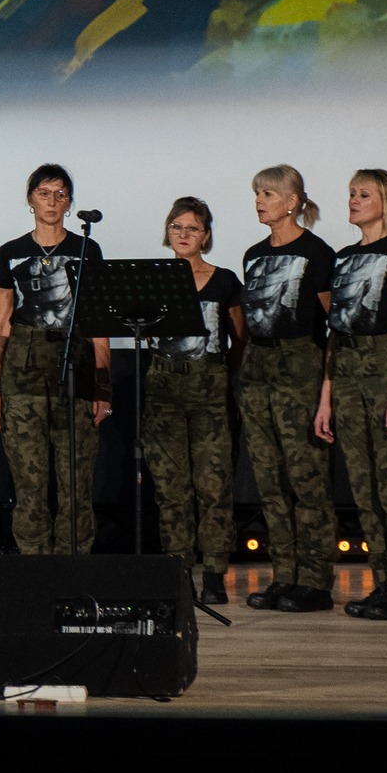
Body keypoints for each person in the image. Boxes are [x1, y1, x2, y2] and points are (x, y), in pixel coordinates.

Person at [0, 165, 111, 554]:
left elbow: (97, 322)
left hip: (75, 364)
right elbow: (1, 322)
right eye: (44, 193)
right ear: (30, 199)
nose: (52, 201)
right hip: (23, 367)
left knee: (76, 479)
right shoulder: (11, 252)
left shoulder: (86, 250)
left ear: (69, 203)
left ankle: (73, 565)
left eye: (60, 194)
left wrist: (103, 385)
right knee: (29, 479)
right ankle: (35, 566)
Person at [316, 168, 387, 621]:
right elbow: (335, 331)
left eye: (364, 194)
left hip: (384, 373)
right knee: (364, 490)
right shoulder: (343, 257)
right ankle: (382, 584)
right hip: (346, 375)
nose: (354, 200)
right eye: (351, 193)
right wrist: (326, 396)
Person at [238, 165, 337, 612]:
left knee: (306, 477)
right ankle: (285, 574)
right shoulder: (254, 254)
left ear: (292, 201)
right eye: (258, 193)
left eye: (269, 194)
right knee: (270, 479)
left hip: (300, 365)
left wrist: (326, 387)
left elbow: (334, 323)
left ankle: (315, 579)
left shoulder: (317, 253)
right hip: (257, 368)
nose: (260, 201)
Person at [142, 197, 245, 604]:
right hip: (163, 391)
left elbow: (240, 339)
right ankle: (179, 570)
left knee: (213, 484)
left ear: (206, 235)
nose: (183, 234)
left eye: (192, 228)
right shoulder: (152, 278)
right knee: (171, 487)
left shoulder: (224, 280)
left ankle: (215, 574)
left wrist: (217, 374)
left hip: (210, 392)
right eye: (176, 226)